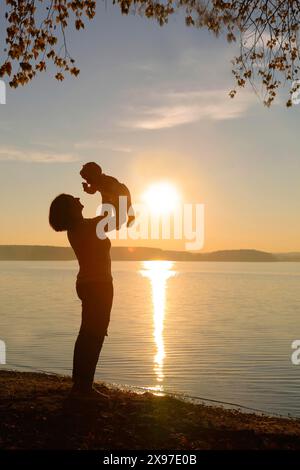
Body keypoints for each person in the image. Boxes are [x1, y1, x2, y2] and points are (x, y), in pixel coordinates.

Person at [49, 192, 122, 399]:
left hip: (91, 284)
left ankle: (81, 385)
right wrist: (105, 186)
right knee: (93, 335)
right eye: (75, 200)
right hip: (97, 286)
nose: (80, 200)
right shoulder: (86, 228)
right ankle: (83, 387)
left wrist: (106, 190)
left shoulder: (83, 227)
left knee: (89, 334)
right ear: (70, 210)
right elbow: (119, 216)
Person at [80, 162, 135, 229]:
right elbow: (92, 191)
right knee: (105, 213)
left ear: (94, 175)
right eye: (86, 179)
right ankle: (113, 221)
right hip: (107, 196)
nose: (88, 181)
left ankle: (130, 217)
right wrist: (86, 188)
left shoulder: (107, 180)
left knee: (127, 206)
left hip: (121, 192)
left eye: (88, 178)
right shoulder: (95, 183)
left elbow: (117, 195)